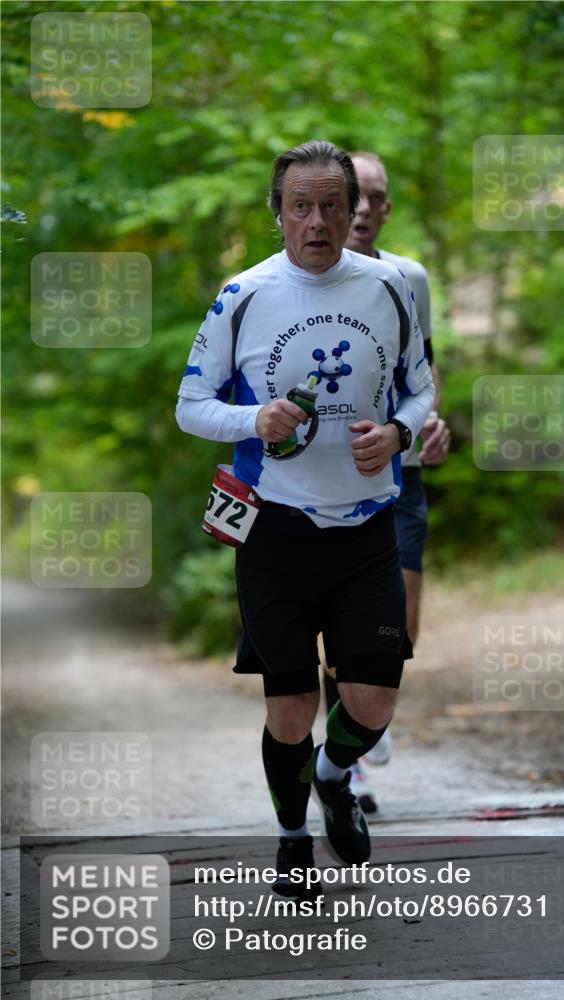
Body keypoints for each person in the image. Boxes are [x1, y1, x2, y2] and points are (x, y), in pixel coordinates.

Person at [176, 140, 435, 900]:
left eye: (332, 206)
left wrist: (398, 433)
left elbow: (420, 394)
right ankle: (291, 839)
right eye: (300, 206)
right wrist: (255, 418)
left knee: (372, 700)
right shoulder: (242, 295)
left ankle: (334, 776)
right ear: (277, 211)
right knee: (288, 706)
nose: (316, 222)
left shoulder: (388, 288)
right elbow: (190, 408)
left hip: (365, 526)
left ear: (352, 210)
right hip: (273, 526)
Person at [322, 151, 451, 814]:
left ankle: (356, 727)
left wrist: (432, 422)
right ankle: (342, 768)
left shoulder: (410, 278)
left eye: (377, 198)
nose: (365, 209)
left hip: (399, 479)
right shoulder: (299, 285)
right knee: (342, 631)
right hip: (328, 483)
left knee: (396, 633)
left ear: (386, 208)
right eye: (355, 196)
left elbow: (421, 373)